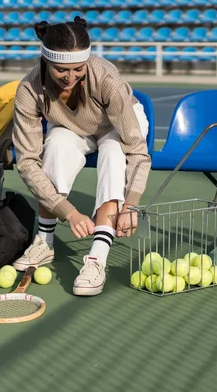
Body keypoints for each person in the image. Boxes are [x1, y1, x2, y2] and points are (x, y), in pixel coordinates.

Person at [11, 17, 152, 296]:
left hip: (119, 125)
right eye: (61, 70)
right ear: (46, 61)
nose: (70, 77)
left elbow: (137, 149)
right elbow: (27, 161)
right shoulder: (29, 89)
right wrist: (70, 213)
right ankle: (44, 241)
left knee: (113, 151)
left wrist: (131, 204)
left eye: (78, 69)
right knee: (55, 144)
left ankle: (97, 258)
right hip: (72, 126)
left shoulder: (106, 78)